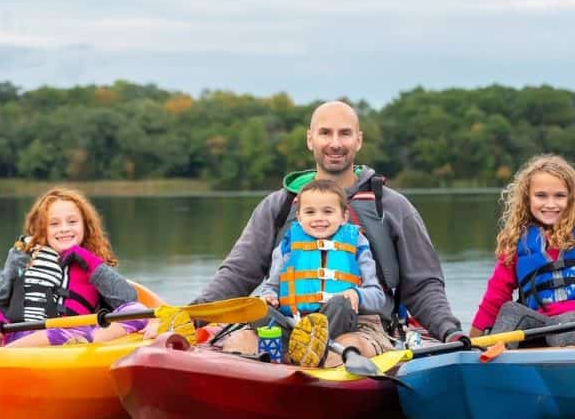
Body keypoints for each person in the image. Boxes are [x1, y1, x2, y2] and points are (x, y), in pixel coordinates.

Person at [192, 100, 465, 366]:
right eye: (325, 133)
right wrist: (193, 316)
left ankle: (319, 374)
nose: (335, 143)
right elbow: (238, 274)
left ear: (358, 140)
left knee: (343, 351)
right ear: (310, 139)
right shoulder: (279, 206)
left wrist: (449, 331)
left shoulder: (392, 207)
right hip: (288, 322)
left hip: (361, 327)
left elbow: (423, 286)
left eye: (344, 133)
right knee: (238, 345)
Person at [0, 188, 149, 347]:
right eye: (54, 224)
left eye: (72, 222)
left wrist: (90, 262)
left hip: (76, 342)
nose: (64, 229)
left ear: (84, 225)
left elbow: (128, 299)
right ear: (42, 229)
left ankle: (83, 341)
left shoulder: (93, 263)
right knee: (57, 334)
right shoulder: (23, 256)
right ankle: (13, 352)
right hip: (25, 339)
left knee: (138, 311)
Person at [258, 178, 386, 366]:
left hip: (335, 321)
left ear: (343, 217)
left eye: (328, 211)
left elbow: (377, 296)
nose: (319, 218)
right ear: (300, 217)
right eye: (310, 212)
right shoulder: (287, 246)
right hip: (293, 323)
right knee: (259, 311)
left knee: (341, 303)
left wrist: (357, 294)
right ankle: (304, 346)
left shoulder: (357, 243)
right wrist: (268, 297)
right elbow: (271, 287)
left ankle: (312, 348)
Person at [470, 154, 575, 345]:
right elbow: (494, 299)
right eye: (541, 195)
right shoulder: (517, 243)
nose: (550, 204)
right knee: (511, 310)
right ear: (527, 199)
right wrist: (469, 343)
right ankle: (485, 361)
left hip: (571, 327)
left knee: (569, 322)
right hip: (540, 328)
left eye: (559, 196)